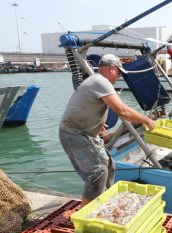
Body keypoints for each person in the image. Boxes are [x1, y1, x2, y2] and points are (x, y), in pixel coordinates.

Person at [59, 54, 155, 208]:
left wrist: (97, 123)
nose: (119, 77)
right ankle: (86, 213)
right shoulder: (101, 81)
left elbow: (86, 105)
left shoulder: (97, 81)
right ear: (112, 68)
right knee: (98, 171)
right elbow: (122, 110)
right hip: (74, 134)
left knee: (109, 165)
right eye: (119, 72)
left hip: (86, 133)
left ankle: (104, 203)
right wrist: (147, 120)